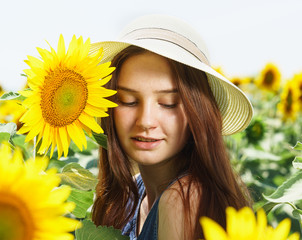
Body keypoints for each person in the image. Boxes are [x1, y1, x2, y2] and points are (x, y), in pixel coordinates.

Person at [91, 14, 254, 240]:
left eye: (168, 104)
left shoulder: (182, 200)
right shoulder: (135, 190)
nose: (146, 121)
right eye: (128, 100)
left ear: (196, 112)